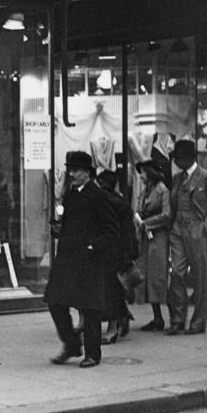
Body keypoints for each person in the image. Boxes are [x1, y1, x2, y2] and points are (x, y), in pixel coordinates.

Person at [44, 151, 119, 368]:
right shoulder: (70, 194)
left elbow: (112, 231)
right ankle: (71, 344)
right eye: (70, 170)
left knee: (90, 307)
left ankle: (93, 353)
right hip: (67, 258)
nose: (72, 174)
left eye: (76, 170)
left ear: (88, 173)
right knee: (55, 301)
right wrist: (57, 227)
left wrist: (93, 246)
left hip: (88, 259)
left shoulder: (98, 195)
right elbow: (66, 224)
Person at [166, 139, 207, 335]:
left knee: (200, 278)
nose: (177, 162)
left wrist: (204, 229)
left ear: (189, 158)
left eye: (179, 158)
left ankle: (198, 322)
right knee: (176, 273)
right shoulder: (176, 179)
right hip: (178, 230)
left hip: (198, 230)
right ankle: (177, 319)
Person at [96, 171, 138, 344]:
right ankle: (122, 317)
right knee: (113, 290)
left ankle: (113, 328)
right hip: (115, 251)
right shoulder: (119, 203)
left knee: (112, 291)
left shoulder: (109, 203)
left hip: (113, 252)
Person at [134, 160, 171, 331]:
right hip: (146, 237)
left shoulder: (163, 190)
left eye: (143, 172)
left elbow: (166, 214)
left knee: (158, 276)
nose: (140, 176)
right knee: (148, 277)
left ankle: (173, 317)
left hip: (158, 237)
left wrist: (146, 223)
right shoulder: (145, 191)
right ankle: (157, 317)